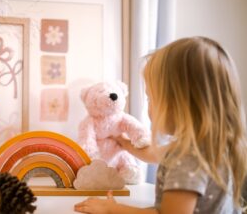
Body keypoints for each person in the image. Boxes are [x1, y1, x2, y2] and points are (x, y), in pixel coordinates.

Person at [74, 37, 247, 214]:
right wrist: (122, 140)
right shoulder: (212, 145)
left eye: (150, 97)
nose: (148, 106)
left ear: (178, 103)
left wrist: (112, 209)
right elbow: (152, 154)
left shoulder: (187, 157)